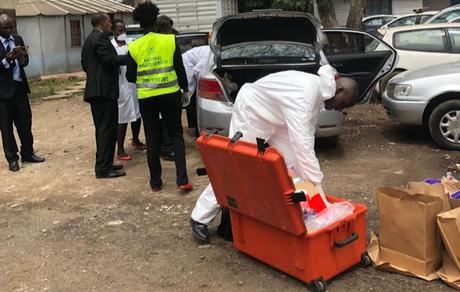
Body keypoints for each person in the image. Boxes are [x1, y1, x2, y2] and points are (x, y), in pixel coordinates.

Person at [190, 65, 360, 243]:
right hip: (252, 111)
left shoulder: (318, 95)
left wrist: (314, 182)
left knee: (294, 168)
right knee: (238, 167)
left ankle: (310, 213)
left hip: (277, 119)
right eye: (343, 103)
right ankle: (199, 217)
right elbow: (302, 142)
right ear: (339, 89)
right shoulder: (306, 94)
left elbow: (306, 137)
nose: (340, 110)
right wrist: (316, 179)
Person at [126, 2, 192, 192]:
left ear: (139, 24)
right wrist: (185, 90)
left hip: (147, 97)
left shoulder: (135, 46)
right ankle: (182, 180)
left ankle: (155, 182)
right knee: (176, 134)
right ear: (156, 20)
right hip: (170, 95)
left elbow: (131, 76)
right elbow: (180, 70)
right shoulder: (170, 41)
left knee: (152, 137)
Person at [81, 13, 127, 179]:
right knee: (106, 130)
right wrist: (130, 58)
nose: (111, 24)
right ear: (103, 22)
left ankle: (106, 164)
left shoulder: (90, 39)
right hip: (103, 92)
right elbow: (109, 60)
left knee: (105, 129)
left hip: (99, 91)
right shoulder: (100, 38)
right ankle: (103, 169)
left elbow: (86, 65)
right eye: (109, 21)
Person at [0, 14, 44, 172]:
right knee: (6, 128)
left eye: (11, 27)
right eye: (6, 28)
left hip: (20, 89)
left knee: (25, 123)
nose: (9, 30)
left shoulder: (17, 39)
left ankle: (28, 153)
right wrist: (7, 60)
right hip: (3, 93)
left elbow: (25, 61)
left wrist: (21, 58)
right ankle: (12, 158)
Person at [110, 19, 146, 161]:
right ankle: (120, 149)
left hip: (134, 84)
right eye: (119, 30)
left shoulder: (131, 44)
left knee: (137, 115)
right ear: (113, 31)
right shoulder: (111, 46)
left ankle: (136, 140)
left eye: (124, 30)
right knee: (123, 118)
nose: (122, 33)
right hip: (121, 86)